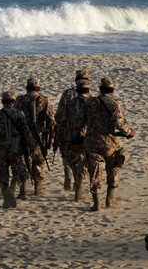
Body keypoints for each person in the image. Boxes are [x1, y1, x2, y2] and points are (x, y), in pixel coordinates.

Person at [79, 76, 136, 211]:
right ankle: (110, 198)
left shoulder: (89, 102)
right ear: (112, 89)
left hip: (91, 141)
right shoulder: (113, 104)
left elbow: (81, 121)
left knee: (94, 171)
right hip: (108, 142)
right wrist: (129, 132)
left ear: (99, 89)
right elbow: (119, 123)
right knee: (113, 168)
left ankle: (96, 203)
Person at [0, 91, 36, 209]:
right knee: (20, 171)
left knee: (2, 173)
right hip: (16, 148)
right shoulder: (19, 114)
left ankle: (6, 192)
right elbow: (26, 133)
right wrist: (32, 147)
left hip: (0, 148)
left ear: (2, 102)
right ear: (14, 102)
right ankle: (12, 187)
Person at [55, 73, 93, 201]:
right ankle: (79, 187)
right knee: (83, 161)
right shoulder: (93, 98)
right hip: (86, 136)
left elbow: (60, 116)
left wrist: (60, 131)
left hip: (69, 134)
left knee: (70, 158)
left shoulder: (68, 96)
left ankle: (67, 167)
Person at [15, 77, 56, 198]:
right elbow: (51, 121)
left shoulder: (19, 100)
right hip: (37, 136)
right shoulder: (44, 100)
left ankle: (23, 190)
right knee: (38, 161)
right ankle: (38, 189)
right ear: (38, 88)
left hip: (22, 136)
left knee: (23, 162)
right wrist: (51, 138)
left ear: (27, 87)